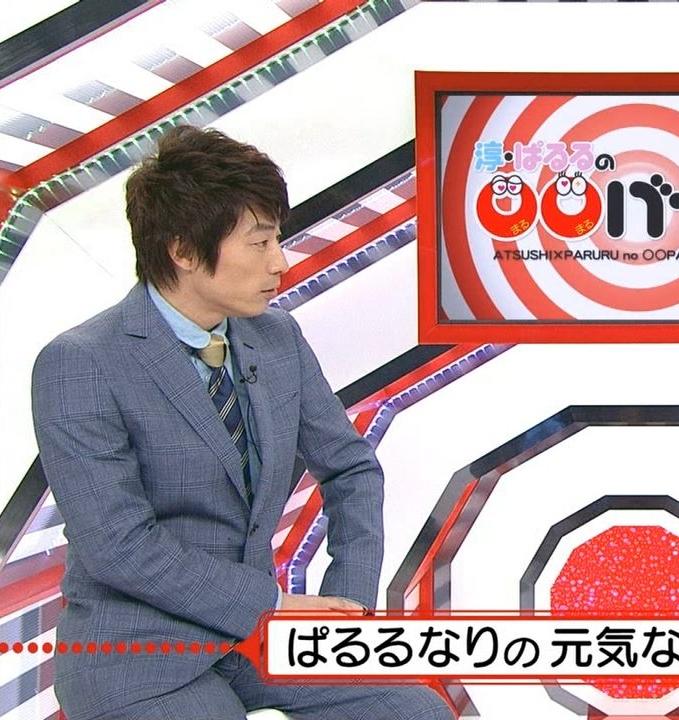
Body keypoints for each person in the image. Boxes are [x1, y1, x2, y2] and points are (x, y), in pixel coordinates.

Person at [30, 126, 453, 720]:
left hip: (261, 643)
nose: (280, 262)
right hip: (137, 653)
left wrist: (347, 610)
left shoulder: (276, 337)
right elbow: (118, 547)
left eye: (276, 238)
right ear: (182, 250)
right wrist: (271, 605)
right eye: (259, 243)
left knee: (415, 712)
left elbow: (351, 470)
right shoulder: (81, 362)